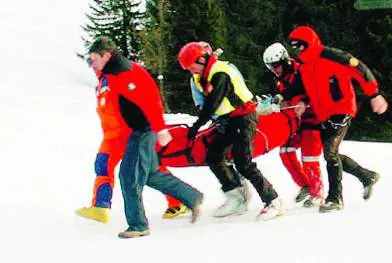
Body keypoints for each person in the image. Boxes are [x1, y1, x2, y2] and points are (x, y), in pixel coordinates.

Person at [85, 36, 203, 238]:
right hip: (136, 131)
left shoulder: (126, 72)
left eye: (93, 59)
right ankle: (191, 196)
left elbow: (150, 100)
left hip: (142, 131)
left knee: (128, 176)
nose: (91, 64)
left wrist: (161, 129)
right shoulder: (110, 73)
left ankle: (138, 225)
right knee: (149, 174)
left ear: (106, 55)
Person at [286, 26, 386, 213]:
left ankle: (335, 198)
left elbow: (360, 69)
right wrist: (300, 101)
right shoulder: (304, 66)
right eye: (294, 47)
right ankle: (367, 176)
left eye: (300, 46)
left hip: (342, 109)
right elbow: (298, 90)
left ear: (309, 43)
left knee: (329, 154)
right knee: (331, 153)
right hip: (322, 114)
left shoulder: (332, 56)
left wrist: (374, 94)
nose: (297, 51)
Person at [178, 41, 283, 220]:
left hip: (243, 118)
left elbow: (213, 102)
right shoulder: (202, 74)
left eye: (191, 66)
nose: (191, 71)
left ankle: (272, 200)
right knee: (213, 156)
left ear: (202, 59)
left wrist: (196, 126)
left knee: (243, 162)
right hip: (227, 120)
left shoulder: (220, 72)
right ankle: (236, 197)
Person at [75, 63, 189, 224]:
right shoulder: (102, 82)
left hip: (127, 133)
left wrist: (156, 127)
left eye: (95, 62)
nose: (93, 66)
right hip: (112, 134)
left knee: (149, 169)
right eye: (91, 63)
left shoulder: (120, 76)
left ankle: (180, 200)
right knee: (104, 165)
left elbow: (144, 100)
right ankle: (100, 207)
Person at [262, 42, 324, 208]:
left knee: (309, 156)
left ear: (284, 61)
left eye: (276, 66)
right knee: (285, 150)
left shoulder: (302, 71)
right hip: (296, 122)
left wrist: (304, 102)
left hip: (314, 118)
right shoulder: (280, 79)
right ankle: (305, 185)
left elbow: (316, 90)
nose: (274, 70)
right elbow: (285, 96)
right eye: (271, 67)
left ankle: (318, 193)